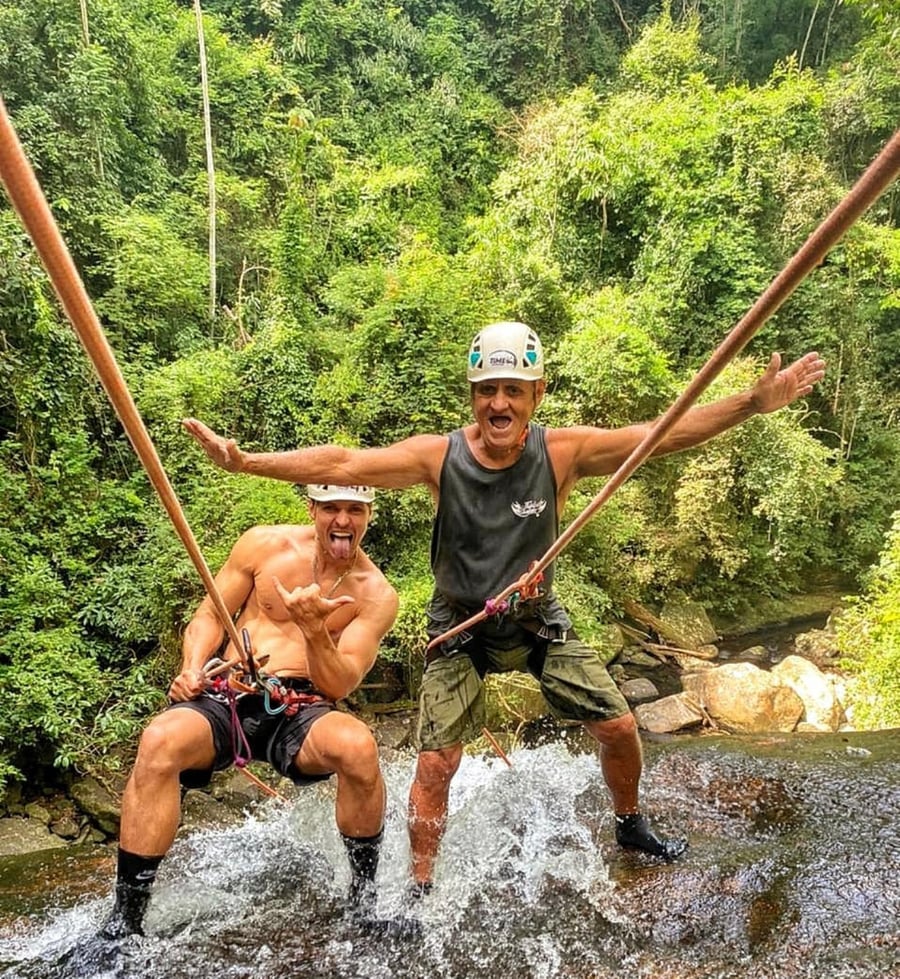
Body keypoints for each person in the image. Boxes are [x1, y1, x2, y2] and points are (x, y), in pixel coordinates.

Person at [183, 320, 826, 894]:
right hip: (460, 627)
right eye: (487, 390)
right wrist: (248, 463)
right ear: (472, 396)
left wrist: (750, 403)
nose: (499, 403)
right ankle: (423, 882)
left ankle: (630, 824)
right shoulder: (440, 458)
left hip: (536, 619)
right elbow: (348, 463)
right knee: (437, 760)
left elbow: (657, 436)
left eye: (513, 390)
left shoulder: (562, 452)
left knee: (619, 726)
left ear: (536, 394)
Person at [101, 483, 399, 939]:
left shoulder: (375, 594)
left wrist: (315, 631)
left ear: (369, 515)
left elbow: (339, 683)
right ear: (312, 509)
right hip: (230, 691)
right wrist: (191, 667)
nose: (343, 520)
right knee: (160, 741)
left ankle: (363, 903)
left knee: (358, 748)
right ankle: (125, 921)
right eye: (332, 508)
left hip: (302, 706)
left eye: (355, 510)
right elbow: (208, 616)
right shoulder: (263, 544)